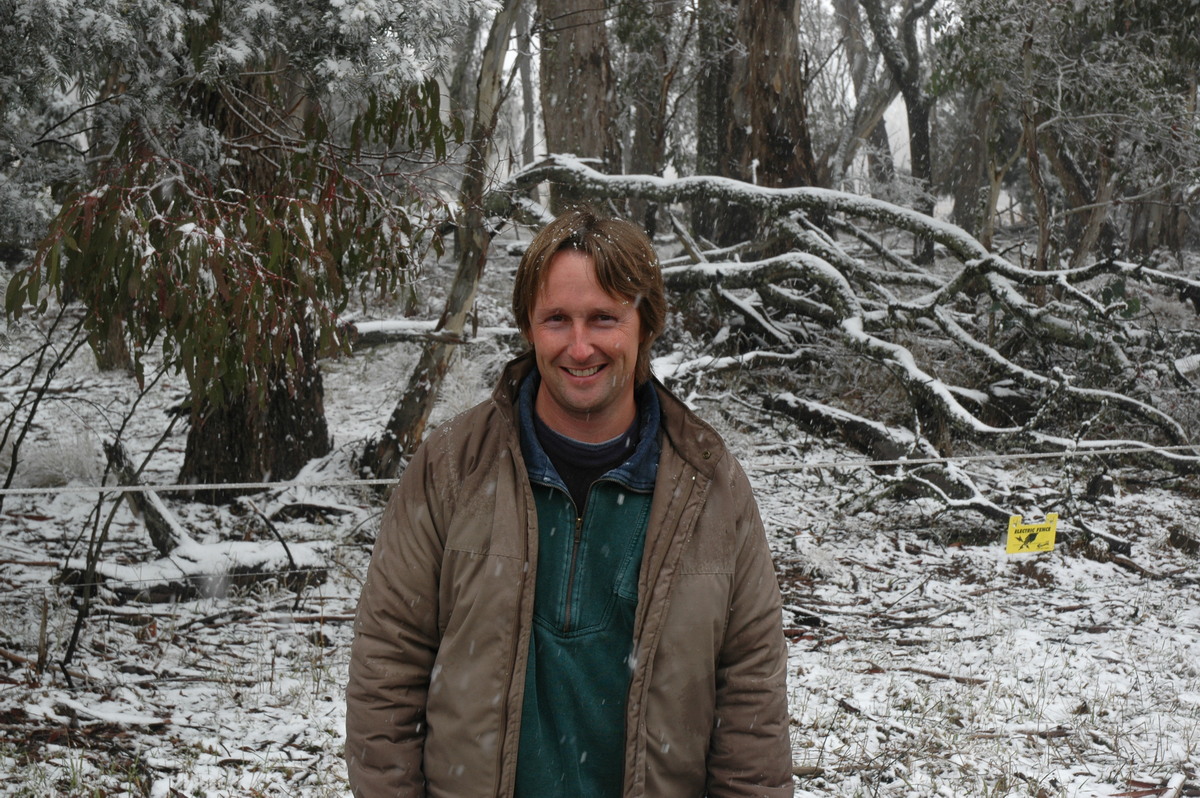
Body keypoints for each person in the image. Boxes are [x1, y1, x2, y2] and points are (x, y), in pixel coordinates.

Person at [346, 209, 794, 798]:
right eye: (557, 319)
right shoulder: (451, 469)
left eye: (603, 318)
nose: (580, 347)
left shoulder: (710, 487)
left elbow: (750, 707)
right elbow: (387, 671)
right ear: (530, 328)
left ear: (644, 325)